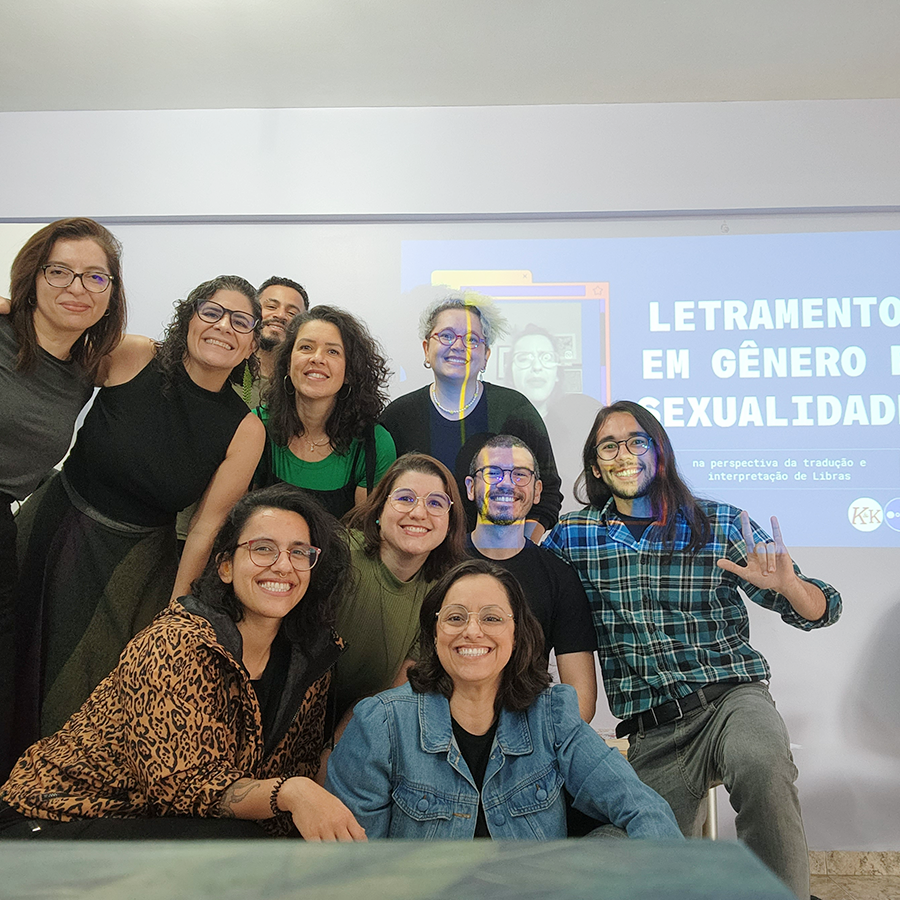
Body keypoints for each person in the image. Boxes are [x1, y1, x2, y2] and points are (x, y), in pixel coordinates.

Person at [542, 400, 842, 899]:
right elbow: (527, 588)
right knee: (625, 853)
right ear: (595, 466)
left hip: (731, 700)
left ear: (660, 453)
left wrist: (790, 587)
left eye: (637, 441)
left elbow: (822, 607)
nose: (624, 453)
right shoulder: (576, 536)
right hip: (652, 734)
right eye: (609, 446)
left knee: (761, 762)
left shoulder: (719, 524)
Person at [1, 485, 365, 842]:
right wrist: (292, 792)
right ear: (225, 566)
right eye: (263, 549)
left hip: (169, 832)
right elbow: (178, 788)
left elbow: (283, 790)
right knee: (237, 844)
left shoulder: (310, 661)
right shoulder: (174, 642)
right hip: (53, 821)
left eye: (299, 552)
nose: (283, 565)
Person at [12, 275, 266, 753]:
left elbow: (206, 527)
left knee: (85, 693)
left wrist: (177, 612)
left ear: (253, 342)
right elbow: (51, 351)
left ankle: (37, 803)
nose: (223, 328)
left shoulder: (246, 429)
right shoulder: (134, 355)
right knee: (15, 649)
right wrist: (13, 308)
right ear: (188, 317)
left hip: (137, 566)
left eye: (240, 321)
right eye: (211, 312)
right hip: (55, 523)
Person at [325, 559, 682, 840]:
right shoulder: (379, 725)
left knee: (617, 842)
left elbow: (643, 809)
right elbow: (356, 868)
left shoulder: (553, 715)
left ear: (517, 635)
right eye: (455, 617)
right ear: (434, 635)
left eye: (492, 617)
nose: (473, 630)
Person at [0, 218, 128, 780]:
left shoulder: (87, 370)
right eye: (60, 271)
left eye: (95, 277)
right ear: (32, 277)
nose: (77, 287)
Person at [379, 291, 562, 539]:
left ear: (486, 355)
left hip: (498, 563)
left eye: (472, 339)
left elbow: (548, 491)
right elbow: (381, 499)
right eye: (445, 336)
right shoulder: (398, 417)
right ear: (426, 348)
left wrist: (518, 549)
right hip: (420, 561)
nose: (457, 346)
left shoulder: (515, 410)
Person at [464, 434, 597, 721]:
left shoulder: (559, 576)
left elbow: (581, 696)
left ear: (537, 491)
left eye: (520, 475)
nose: (506, 483)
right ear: (470, 487)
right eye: (493, 473)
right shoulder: (439, 564)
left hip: (529, 736)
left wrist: (553, 746)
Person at [333, 453, 467, 723]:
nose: (419, 513)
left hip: (362, 725)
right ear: (380, 509)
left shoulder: (445, 592)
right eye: (405, 499)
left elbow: (390, 695)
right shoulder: (339, 553)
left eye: (435, 503)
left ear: (450, 521)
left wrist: (336, 750)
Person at [256, 305, 397, 519]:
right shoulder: (257, 427)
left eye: (333, 351)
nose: (317, 358)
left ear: (349, 372)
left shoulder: (374, 445)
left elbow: (363, 539)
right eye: (306, 347)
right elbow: (236, 521)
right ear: (287, 363)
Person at [505, 323, 602, 509]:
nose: (536, 367)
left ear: (557, 373)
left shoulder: (583, 421)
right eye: (524, 358)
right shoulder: (498, 426)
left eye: (546, 357)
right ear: (511, 372)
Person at [253, 276, 309, 390]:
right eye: (271, 307)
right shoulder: (226, 368)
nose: (280, 315)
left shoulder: (302, 385)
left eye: (292, 313)